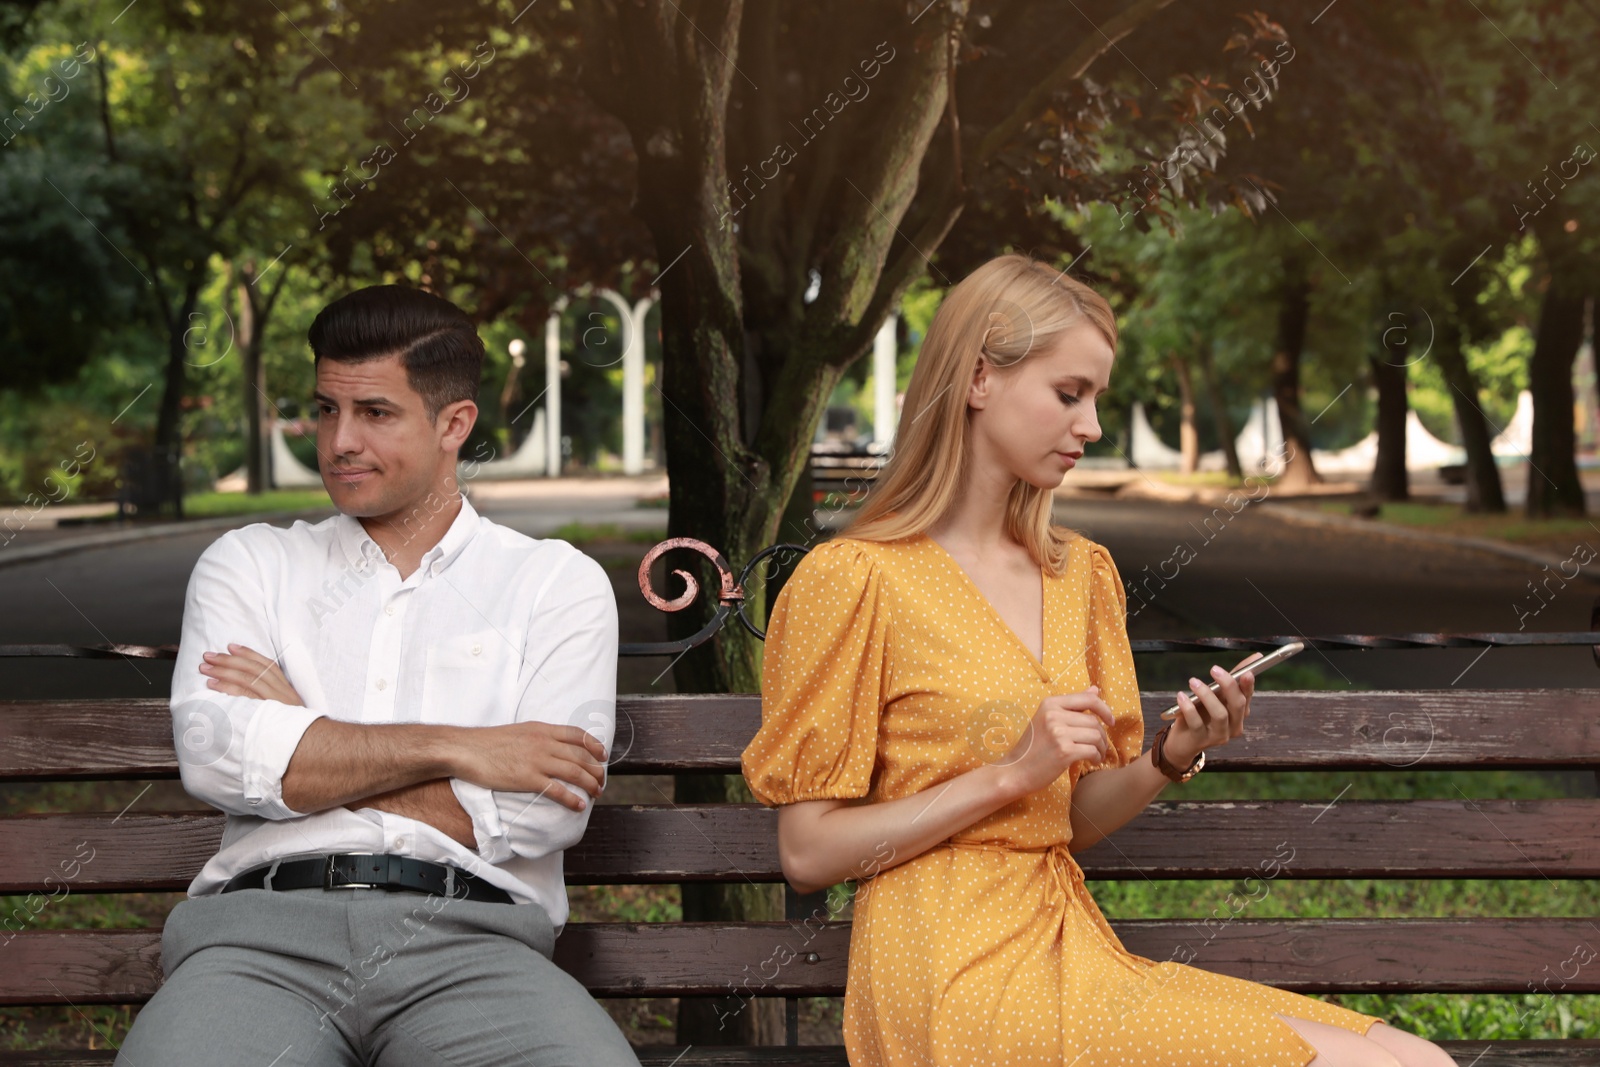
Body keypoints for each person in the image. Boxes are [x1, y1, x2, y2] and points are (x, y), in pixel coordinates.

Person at [741, 254, 1456, 1066]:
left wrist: (1167, 755)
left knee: (1416, 1058)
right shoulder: (855, 579)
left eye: (1095, 400)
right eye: (1068, 394)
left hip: (1064, 944)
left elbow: (1066, 822)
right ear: (978, 379)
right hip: (944, 968)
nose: (1091, 427)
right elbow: (807, 855)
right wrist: (1011, 770)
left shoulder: (1077, 573)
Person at [117, 285, 642, 1067]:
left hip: (474, 944)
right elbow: (220, 755)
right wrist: (461, 749)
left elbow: (538, 816)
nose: (338, 441)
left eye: (375, 413)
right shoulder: (251, 564)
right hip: (260, 941)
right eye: (326, 409)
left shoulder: (552, 584)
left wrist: (308, 737)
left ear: (454, 424)